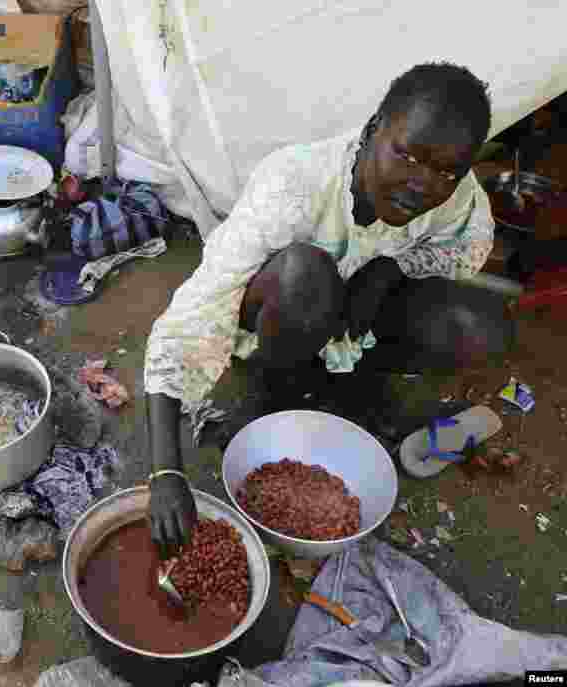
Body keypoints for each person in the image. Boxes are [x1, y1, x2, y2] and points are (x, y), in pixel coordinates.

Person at [144, 62, 514, 558]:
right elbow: (198, 309)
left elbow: (468, 249)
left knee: (479, 328)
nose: (422, 184)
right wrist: (166, 470)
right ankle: (275, 393)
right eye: (406, 155)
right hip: (281, 313)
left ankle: (353, 380)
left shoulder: (454, 195)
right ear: (372, 130)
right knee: (306, 274)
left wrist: (388, 269)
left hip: (354, 319)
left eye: (446, 170)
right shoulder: (294, 182)